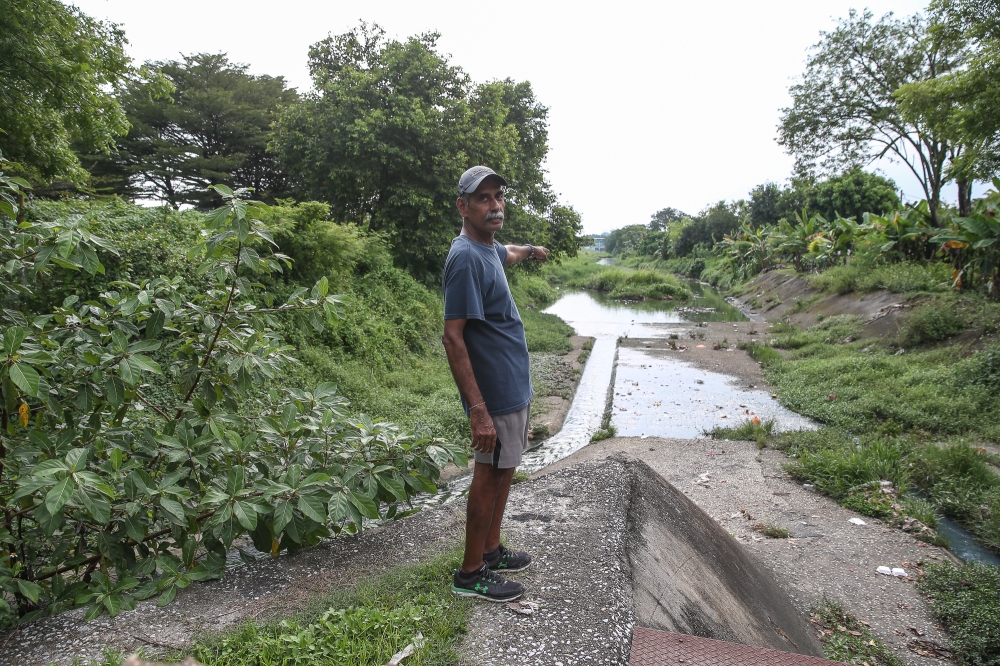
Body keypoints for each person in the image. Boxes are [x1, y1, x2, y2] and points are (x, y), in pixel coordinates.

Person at [442, 165, 549, 602]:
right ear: (463, 206)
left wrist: (532, 249)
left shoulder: (488, 249)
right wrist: (479, 410)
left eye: (498, 196)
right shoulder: (465, 257)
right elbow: (452, 336)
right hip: (495, 395)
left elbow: (509, 253)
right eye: (483, 199)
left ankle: (491, 548)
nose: (494, 205)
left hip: (513, 387)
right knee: (488, 476)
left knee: (505, 470)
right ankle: (470, 573)